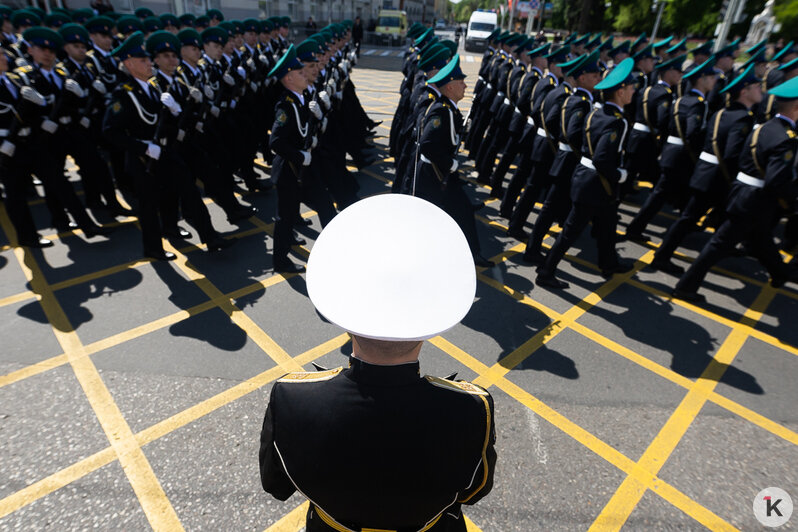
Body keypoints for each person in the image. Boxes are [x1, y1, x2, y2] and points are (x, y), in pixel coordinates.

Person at [260, 193, 496, 531]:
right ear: (431, 321)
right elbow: (474, 490)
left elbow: (276, 485)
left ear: (346, 317)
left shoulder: (291, 397)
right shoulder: (473, 407)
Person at [673, 76, 798, 302]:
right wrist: (792, 201)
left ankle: (780, 273)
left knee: (761, 239)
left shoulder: (765, 127)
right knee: (719, 244)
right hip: (753, 201)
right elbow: (776, 181)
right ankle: (685, 286)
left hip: (744, 194)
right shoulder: (785, 138)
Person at [536, 58, 638, 289]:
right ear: (620, 92)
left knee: (608, 224)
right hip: (595, 184)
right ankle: (545, 271)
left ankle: (609, 263)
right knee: (570, 233)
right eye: (631, 88)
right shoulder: (617, 122)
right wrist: (620, 175)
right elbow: (602, 158)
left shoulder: (597, 113)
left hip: (588, 180)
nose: (633, 92)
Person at [415, 54, 493, 267]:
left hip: (440, 174)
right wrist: (451, 164)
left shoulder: (448, 109)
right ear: (449, 87)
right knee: (430, 219)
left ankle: (470, 254)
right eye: (461, 82)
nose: (465, 86)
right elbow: (427, 143)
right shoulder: (442, 111)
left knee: (462, 211)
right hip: (433, 174)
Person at [267, 44, 310, 273]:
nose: (305, 75)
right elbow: (275, 142)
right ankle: (280, 261)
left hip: (297, 169)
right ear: (289, 78)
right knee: (284, 217)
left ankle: (288, 241)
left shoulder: (300, 99)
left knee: (292, 211)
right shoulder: (286, 105)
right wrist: (300, 155)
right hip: (287, 170)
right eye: (300, 73)